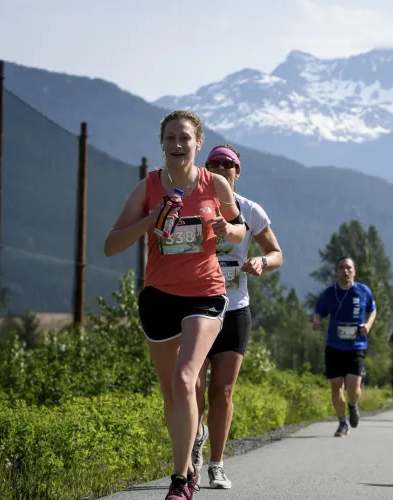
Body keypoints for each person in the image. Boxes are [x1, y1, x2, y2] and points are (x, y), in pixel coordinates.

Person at [104, 110, 247, 500]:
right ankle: (194, 434)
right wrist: (150, 219)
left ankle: (181, 480)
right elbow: (110, 245)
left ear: (198, 144)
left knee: (186, 379)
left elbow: (239, 230)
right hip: (159, 298)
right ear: (162, 143)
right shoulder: (147, 188)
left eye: (185, 138)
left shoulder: (215, 184)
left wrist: (225, 229)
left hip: (205, 292)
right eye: (171, 138)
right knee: (172, 393)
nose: (178, 145)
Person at [190, 144, 283, 489]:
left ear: (237, 172)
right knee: (193, 387)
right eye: (214, 163)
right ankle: (192, 452)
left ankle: (216, 464)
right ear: (207, 168)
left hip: (235, 309)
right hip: (196, 307)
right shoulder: (192, 204)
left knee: (223, 390)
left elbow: (276, 253)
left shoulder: (250, 210)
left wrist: (262, 261)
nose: (221, 168)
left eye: (228, 164)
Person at [312, 256, 377, 437]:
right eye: (341, 268)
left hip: (356, 345)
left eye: (348, 268)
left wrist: (368, 326)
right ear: (336, 272)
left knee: (353, 387)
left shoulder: (363, 291)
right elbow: (319, 312)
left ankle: (353, 405)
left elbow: (373, 309)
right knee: (335, 385)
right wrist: (317, 322)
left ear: (354, 271)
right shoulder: (329, 293)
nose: (345, 271)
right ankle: (342, 423)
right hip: (334, 345)